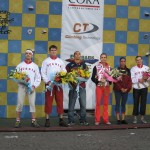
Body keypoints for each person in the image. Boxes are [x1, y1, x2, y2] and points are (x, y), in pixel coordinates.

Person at [41, 45, 68, 127]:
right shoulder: (46, 61)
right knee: (48, 102)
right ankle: (47, 120)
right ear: (49, 51)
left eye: (55, 50)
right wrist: (48, 82)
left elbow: (64, 71)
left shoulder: (60, 61)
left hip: (59, 85)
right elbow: (43, 73)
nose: (53, 51)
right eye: (52, 50)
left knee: (60, 101)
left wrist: (60, 78)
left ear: (57, 51)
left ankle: (61, 120)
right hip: (50, 85)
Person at [15, 49, 41, 128]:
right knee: (20, 103)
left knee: (32, 104)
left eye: (29, 53)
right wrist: (20, 82)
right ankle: (17, 121)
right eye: (26, 53)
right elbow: (16, 76)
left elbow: (38, 78)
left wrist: (34, 86)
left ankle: (33, 121)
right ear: (25, 55)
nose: (28, 55)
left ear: (32, 55)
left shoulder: (35, 66)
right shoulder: (20, 65)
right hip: (22, 87)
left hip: (31, 88)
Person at [66, 51, 89, 126]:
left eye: (79, 54)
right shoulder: (69, 65)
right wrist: (71, 82)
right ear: (74, 56)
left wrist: (82, 78)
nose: (77, 55)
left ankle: (83, 120)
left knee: (83, 104)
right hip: (73, 87)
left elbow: (87, 76)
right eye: (76, 54)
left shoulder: (84, 65)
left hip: (82, 87)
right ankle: (71, 120)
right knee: (71, 104)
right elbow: (66, 76)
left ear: (80, 56)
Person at [91, 53, 111, 125]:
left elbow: (111, 78)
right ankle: (97, 120)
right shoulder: (96, 67)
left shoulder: (109, 67)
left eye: (105, 57)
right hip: (99, 87)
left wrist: (109, 80)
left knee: (106, 103)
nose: (103, 58)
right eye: (102, 57)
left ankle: (106, 120)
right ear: (100, 58)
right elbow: (93, 78)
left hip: (106, 87)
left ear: (106, 58)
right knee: (98, 103)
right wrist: (99, 80)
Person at [131, 56, 150, 124]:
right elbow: (132, 79)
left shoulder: (147, 68)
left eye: (140, 60)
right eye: (137, 60)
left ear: (142, 60)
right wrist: (139, 80)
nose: (139, 61)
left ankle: (142, 117)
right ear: (136, 61)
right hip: (136, 88)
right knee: (136, 102)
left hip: (144, 88)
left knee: (143, 102)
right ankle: (135, 117)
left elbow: (149, 78)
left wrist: (145, 78)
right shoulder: (133, 69)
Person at [113, 57, 132, 124]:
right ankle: (118, 119)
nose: (123, 62)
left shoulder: (128, 70)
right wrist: (121, 88)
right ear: (119, 62)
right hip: (117, 90)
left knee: (123, 104)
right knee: (117, 104)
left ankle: (123, 119)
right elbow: (115, 81)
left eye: (124, 61)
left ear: (125, 62)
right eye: (121, 61)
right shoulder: (116, 70)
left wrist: (127, 89)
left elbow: (130, 81)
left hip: (126, 90)